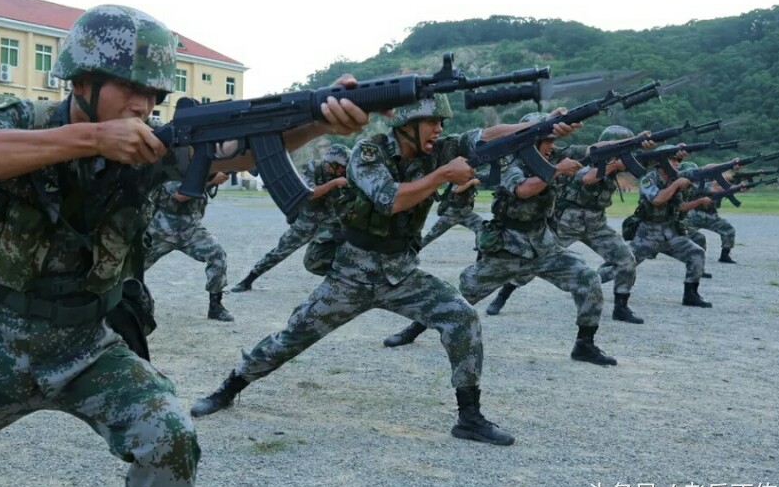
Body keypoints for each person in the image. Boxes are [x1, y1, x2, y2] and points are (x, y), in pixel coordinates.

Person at [0, 4, 370, 487]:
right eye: (130, 88)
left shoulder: (150, 144)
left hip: (90, 349)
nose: (142, 104)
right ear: (82, 82)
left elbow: (244, 154)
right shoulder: (23, 117)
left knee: (168, 436)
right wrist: (92, 138)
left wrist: (320, 122)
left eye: (152, 92)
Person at [187, 98, 578, 445]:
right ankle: (228, 388)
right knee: (292, 338)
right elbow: (390, 200)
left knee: (461, 317)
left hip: (403, 274)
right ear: (408, 124)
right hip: (353, 275)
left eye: (443, 123)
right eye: (433, 122)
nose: (440, 129)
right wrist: (443, 176)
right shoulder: (369, 152)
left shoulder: (440, 149)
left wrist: (541, 125)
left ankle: (469, 417)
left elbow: (489, 134)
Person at [384, 113, 617, 366]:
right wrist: (557, 171)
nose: (552, 145)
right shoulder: (510, 161)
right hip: (508, 248)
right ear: (532, 141)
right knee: (460, 296)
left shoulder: (554, 155)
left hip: (544, 246)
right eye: (547, 140)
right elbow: (523, 189)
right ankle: (413, 329)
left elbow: (595, 149)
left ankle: (585, 344)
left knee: (588, 278)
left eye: (552, 140)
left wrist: (633, 143)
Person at [483, 125, 653, 324]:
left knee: (626, 259)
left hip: (597, 224)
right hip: (567, 223)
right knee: (534, 264)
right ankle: (503, 295)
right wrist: (612, 166)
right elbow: (587, 179)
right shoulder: (591, 160)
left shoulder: (615, 160)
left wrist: (643, 146)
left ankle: (621, 307)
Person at [230, 144, 351, 291]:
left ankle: (344, 282)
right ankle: (248, 280)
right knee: (281, 251)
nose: (343, 171)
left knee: (348, 247)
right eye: (340, 167)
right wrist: (334, 183)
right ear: (331, 163)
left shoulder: (346, 174)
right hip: (307, 221)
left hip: (331, 223)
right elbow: (310, 194)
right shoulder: (312, 168)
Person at [627, 149, 715, 308]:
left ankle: (690, 295)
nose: (677, 164)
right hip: (648, 233)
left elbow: (704, 172)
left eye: (679, 161)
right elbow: (657, 200)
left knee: (696, 253)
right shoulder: (649, 179)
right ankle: (595, 281)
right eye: (673, 160)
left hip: (669, 232)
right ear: (661, 162)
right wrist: (676, 185)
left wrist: (731, 166)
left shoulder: (676, 178)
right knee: (624, 263)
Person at [142, 171, 235, 321]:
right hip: (162, 232)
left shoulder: (199, 171)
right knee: (132, 268)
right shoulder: (171, 172)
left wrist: (214, 177)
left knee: (217, 255)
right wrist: (211, 181)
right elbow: (181, 195)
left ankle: (215, 306)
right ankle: (120, 303)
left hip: (191, 231)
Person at [679, 161, 740, 264]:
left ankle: (725, 255)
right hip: (691, 215)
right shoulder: (684, 186)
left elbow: (713, 172)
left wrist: (733, 172)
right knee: (689, 235)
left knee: (729, 230)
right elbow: (711, 187)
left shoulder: (705, 179)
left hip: (710, 214)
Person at [418, 177, 483, 249]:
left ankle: (481, 253)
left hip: (466, 213)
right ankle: (412, 251)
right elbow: (456, 190)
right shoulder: (460, 175)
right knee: (432, 235)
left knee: (483, 228)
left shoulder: (471, 176)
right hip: (451, 213)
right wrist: (472, 182)